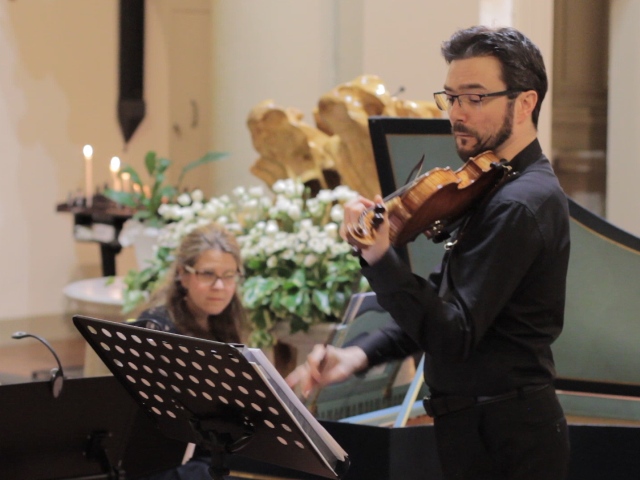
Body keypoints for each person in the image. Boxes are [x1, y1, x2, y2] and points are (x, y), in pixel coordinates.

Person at [287, 25, 571, 480]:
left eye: (475, 97)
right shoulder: (494, 186)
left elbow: (451, 335)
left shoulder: (520, 203)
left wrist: (381, 257)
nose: (457, 113)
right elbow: (439, 303)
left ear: (525, 103)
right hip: (482, 429)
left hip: (507, 439)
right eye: (451, 97)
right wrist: (357, 355)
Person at [133, 222, 247, 480]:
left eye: (229, 275)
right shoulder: (156, 327)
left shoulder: (225, 321)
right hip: (167, 462)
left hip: (209, 453)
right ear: (183, 275)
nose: (220, 286)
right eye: (207, 274)